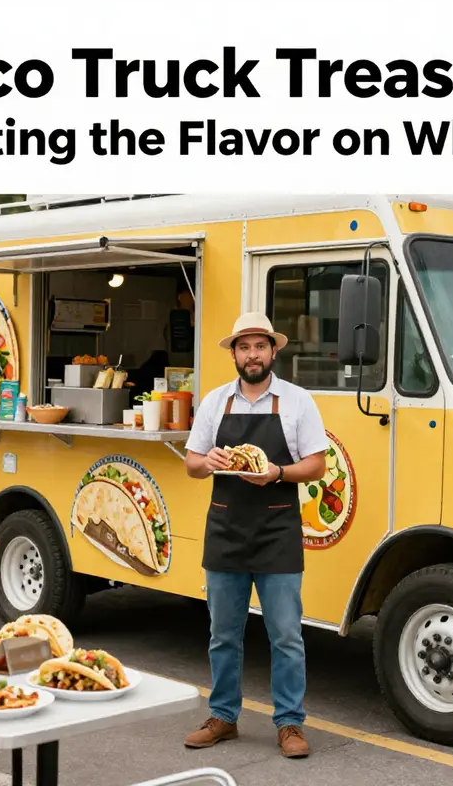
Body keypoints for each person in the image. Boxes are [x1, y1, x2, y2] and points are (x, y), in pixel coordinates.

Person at [183, 312, 327, 758]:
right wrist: (209, 462)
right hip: (225, 529)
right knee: (223, 634)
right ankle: (223, 716)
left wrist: (277, 472)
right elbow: (191, 464)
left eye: (259, 347)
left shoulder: (298, 401)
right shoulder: (215, 402)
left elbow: (316, 465)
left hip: (277, 531)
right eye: (243, 347)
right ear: (234, 354)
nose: (252, 355)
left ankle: (289, 722)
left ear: (273, 351)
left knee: (285, 635)